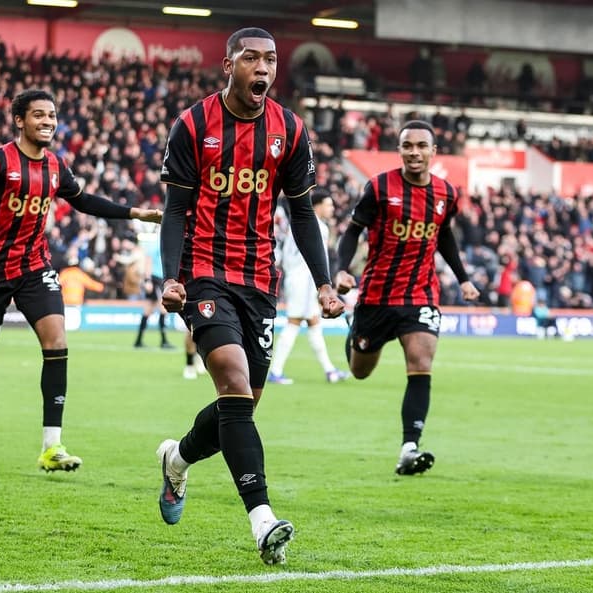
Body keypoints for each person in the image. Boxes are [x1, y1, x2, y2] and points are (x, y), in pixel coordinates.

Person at [156, 28, 345, 565]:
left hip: (260, 280)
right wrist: (171, 277)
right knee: (235, 385)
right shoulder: (193, 125)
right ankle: (263, 520)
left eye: (271, 60)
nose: (263, 68)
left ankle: (177, 458)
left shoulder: (290, 129)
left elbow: (303, 213)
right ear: (228, 66)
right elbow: (175, 210)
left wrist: (325, 283)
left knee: (241, 404)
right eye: (251, 59)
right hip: (204, 274)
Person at [0, 88, 162, 473]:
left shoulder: (56, 166)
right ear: (20, 120)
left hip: (35, 267)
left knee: (57, 342)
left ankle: (52, 446)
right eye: (39, 115)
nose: (48, 121)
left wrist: (136, 213)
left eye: (52, 115)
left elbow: (85, 201)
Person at [334, 120, 480, 477]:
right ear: (399, 150)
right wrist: (340, 270)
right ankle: (355, 335)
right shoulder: (380, 188)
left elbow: (444, 236)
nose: (414, 152)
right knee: (360, 370)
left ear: (433, 151)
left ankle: (409, 447)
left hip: (421, 293)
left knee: (420, 360)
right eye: (407, 146)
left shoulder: (446, 193)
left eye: (421, 146)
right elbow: (352, 232)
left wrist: (463, 279)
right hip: (377, 294)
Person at [268, 190, 349, 385]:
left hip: (297, 277)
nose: (331, 209)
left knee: (314, 323)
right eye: (329, 205)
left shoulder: (299, 223)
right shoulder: (317, 227)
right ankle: (275, 371)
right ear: (318, 205)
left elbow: (286, 255)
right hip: (304, 279)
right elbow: (320, 260)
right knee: (294, 322)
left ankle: (329, 371)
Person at [132, 225, 173, 349]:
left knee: (148, 310)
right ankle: (163, 341)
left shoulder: (163, 243)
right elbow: (148, 261)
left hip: (159, 279)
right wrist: (148, 280)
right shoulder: (156, 243)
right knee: (163, 309)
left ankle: (138, 341)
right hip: (155, 279)